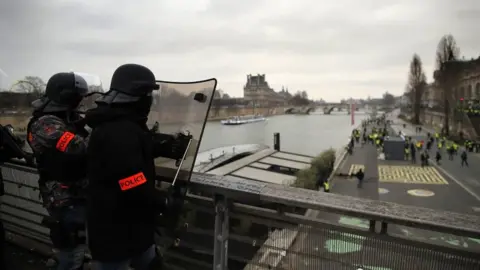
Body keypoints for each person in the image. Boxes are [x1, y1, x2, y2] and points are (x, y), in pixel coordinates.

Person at [84, 64, 184, 270]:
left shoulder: (120, 123)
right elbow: (130, 180)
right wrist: (162, 200)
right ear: (137, 95)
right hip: (115, 229)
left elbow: (136, 146)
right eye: (147, 93)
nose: (150, 99)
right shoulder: (117, 130)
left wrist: (164, 145)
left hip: (132, 225)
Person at [26, 72, 90, 270]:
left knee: (76, 247)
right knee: (71, 248)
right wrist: (104, 129)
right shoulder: (45, 123)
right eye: (77, 96)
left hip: (77, 193)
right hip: (62, 196)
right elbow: (76, 147)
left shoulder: (65, 118)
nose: (80, 102)